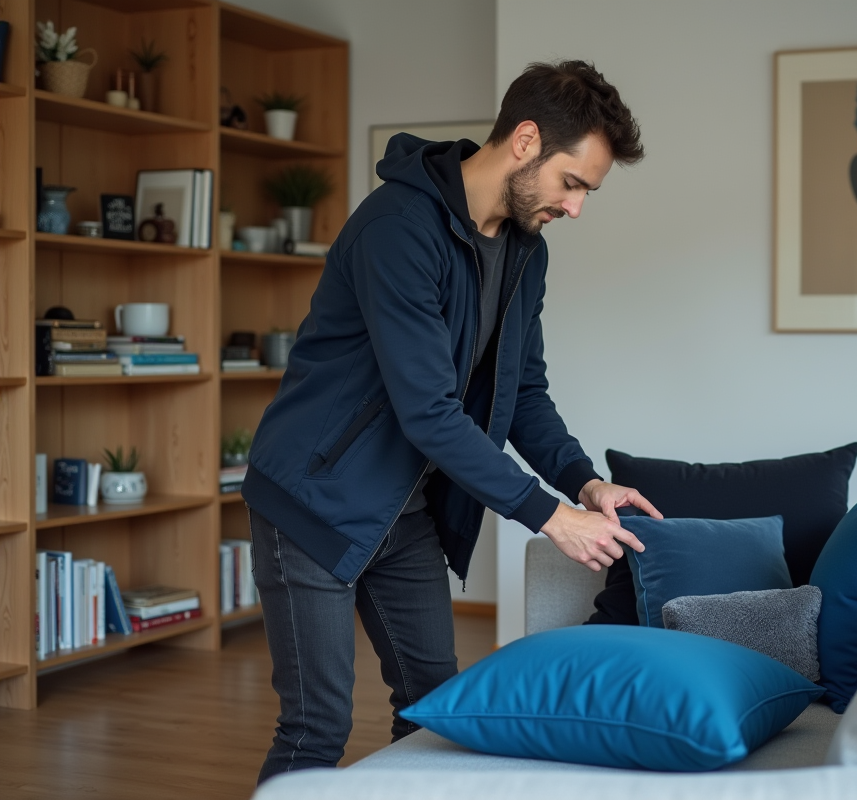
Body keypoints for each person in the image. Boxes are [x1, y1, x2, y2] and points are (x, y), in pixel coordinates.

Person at [241, 60, 661, 784]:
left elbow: (523, 391)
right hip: (312, 501)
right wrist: (549, 518)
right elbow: (429, 411)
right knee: (316, 728)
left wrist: (585, 484)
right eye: (574, 183)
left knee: (436, 712)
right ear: (526, 140)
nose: (577, 207)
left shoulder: (526, 251)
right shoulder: (398, 229)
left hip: (400, 510)